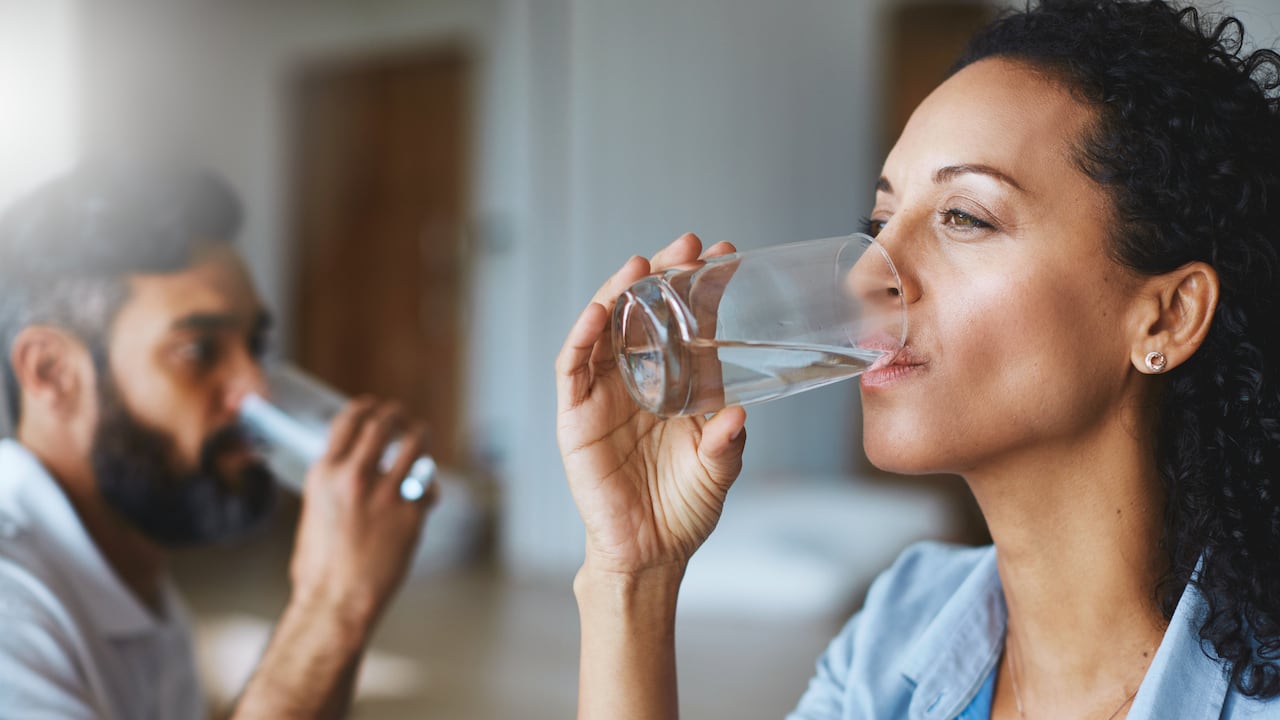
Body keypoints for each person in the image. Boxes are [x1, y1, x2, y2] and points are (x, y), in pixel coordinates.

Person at [556, 0, 1280, 717]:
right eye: (877, 223)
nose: (866, 277)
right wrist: (633, 577)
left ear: (1166, 316)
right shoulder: (898, 628)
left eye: (964, 216)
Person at [0, 163, 437, 719]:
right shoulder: (9, 609)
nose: (256, 387)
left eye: (254, 344)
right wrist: (332, 606)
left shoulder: (138, 578)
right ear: (51, 373)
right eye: (199, 351)